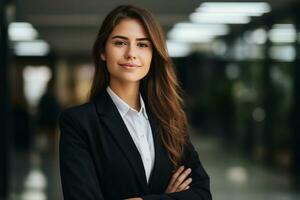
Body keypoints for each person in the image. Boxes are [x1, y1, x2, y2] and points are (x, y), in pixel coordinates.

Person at [59, 5, 212, 200]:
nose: (131, 53)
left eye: (142, 45)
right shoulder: (79, 122)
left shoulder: (169, 119)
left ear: (152, 54)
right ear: (103, 51)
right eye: (120, 43)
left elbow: (202, 194)